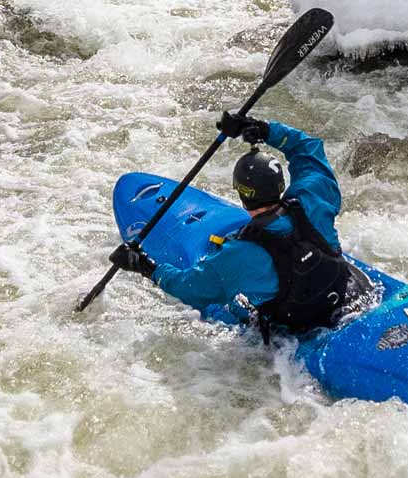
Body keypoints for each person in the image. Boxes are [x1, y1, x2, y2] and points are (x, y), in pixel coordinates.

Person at [109, 113, 374, 338]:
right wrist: (265, 130)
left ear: (243, 194)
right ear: (280, 185)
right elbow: (308, 148)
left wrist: (145, 267)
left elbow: (191, 288)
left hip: (302, 328)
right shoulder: (313, 196)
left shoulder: (238, 254)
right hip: (352, 293)